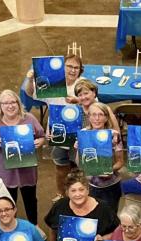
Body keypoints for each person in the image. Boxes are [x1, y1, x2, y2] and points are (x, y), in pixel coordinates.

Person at [0, 89, 46, 225]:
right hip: (5, 173)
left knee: (30, 200)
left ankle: (34, 226)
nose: (10, 106)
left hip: (27, 171)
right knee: (8, 203)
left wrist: (39, 142)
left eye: (13, 102)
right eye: (6, 103)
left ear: (18, 103)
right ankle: (10, 227)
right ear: (0, 106)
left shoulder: (29, 119)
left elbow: (41, 135)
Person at [24, 54, 85, 197]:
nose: (72, 70)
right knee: (60, 168)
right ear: (63, 67)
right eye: (69, 66)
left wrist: (79, 101)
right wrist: (31, 78)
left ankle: (79, 196)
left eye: (76, 67)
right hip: (58, 135)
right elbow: (30, 93)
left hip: (79, 137)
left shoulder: (83, 85)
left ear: (80, 70)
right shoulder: (54, 84)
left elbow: (94, 104)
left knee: (79, 170)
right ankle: (61, 195)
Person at [75, 101, 125, 210]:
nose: (96, 118)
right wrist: (79, 150)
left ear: (106, 118)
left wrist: (109, 170)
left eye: (101, 114)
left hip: (110, 186)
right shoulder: (83, 134)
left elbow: (120, 162)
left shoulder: (114, 135)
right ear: (88, 117)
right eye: (93, 114)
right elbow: (80, 164)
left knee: (110, 216)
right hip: (89, 185)